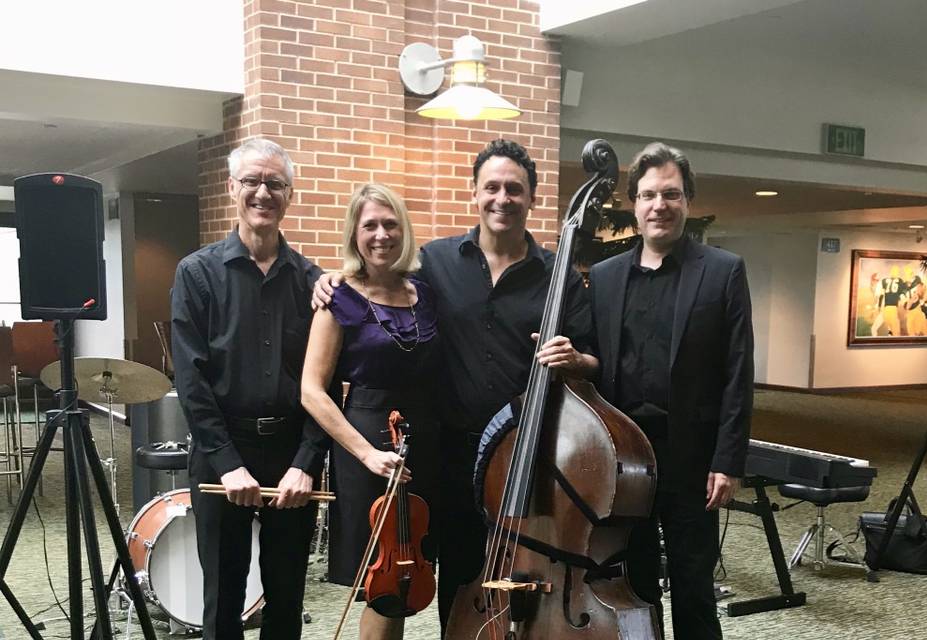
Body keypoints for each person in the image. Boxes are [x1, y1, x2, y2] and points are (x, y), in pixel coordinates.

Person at [314, 139, 597, 635]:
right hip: (452, 453)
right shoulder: (435, 263)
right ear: (474, 193)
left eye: (515, 189)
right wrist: (332, 279)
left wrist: (576, 359)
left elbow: (595, 359)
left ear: (531, 197)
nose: (502, 198)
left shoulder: (559, 274)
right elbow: (378, 278)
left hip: (531, 453)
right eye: (492, 187)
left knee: (536, 572)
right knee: (460, 577)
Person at [589, 142, 754, 639]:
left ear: (688, 201)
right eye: (648, 195)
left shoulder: (723, 271)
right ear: (634, 205)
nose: (659, 205)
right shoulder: (604, 277)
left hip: (692, 460)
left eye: (671, 194)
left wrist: (728, 461)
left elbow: (738, 373)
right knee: (631, 587)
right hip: (624, 460)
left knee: (693, 587)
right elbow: (593, 367)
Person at [171, 138, 327, 639]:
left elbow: (326, 382)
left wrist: (305, 463)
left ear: (290, 195)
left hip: (290, 454)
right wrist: (225, 460)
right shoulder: (196, 273)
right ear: (232, 187)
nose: (264, 192)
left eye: (275, 184)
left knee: (286, 600)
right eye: (253, 182)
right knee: (223, 598)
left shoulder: (313, 282)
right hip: (224, 449)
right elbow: (191, 380)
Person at [301, 183, 441, 639]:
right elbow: (312, 391)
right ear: (354, 235)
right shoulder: (337, 297)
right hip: (366, 443)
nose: (381, 234)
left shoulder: (424, 292)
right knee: (380, 584)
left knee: (408, 577)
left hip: (422, 440)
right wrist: (366, 454)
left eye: (390, 223)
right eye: (370, 226)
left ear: (404, 230)